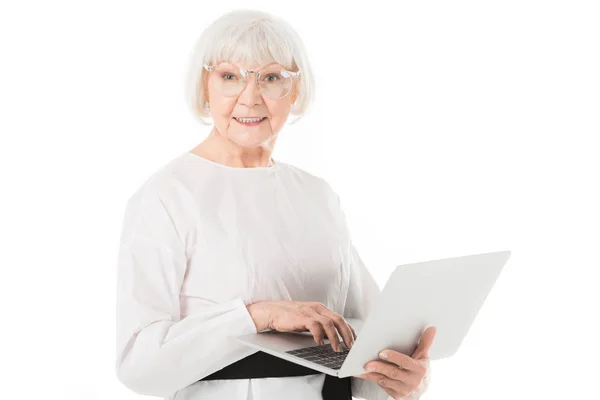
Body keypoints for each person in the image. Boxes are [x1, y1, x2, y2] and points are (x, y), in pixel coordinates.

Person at [115, 9, 436, 400]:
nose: (249, 98)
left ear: (296, 90)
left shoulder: (317, 196)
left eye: (271, 78)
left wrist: (404, 379)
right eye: (230, 76)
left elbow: (369, 340)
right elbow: (139, 367)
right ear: (205, 85)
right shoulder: (168, 196)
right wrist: (256, 315)